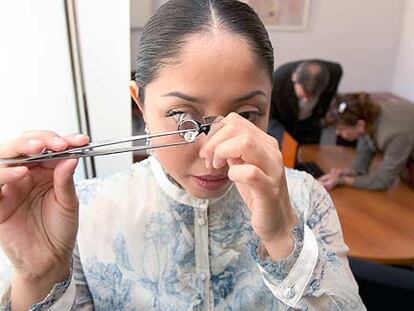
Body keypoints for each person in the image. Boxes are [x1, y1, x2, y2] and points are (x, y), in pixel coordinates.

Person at [0, 1, 365, 310]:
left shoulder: (307, 199)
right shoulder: (85, 215)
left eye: (249, 115)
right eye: (181, 117)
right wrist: (38, 275)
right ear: (140, 103)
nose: (215, 157)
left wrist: (285, 234)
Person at [319, 92, 414, 191]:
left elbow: (383, 181)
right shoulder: (368, 118)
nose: (337, 133)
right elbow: (362, 162)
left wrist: (342, 180)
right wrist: (347, 172)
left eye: (341, 129)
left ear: (360, 125)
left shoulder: (393, 134)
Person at [270, 59, 342, 144]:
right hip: (285, 125)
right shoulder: (277, 80)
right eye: (303, 96)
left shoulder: (334, 72)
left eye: (312, 97)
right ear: (294, 77)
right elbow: (269, 116)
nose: (306, 100)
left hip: (311, 123)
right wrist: (282, 137)